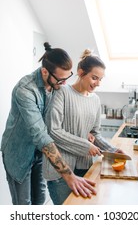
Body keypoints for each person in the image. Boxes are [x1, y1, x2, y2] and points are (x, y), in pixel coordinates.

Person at [0, 43, 96, 205]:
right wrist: (69, 176)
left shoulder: (56, 84)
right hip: (19, 153)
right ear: (45, 72)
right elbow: (41, 136)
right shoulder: (25, 90)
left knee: (40, 202)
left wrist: (83, 132)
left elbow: (60, 117)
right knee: (24, 206)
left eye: (67, 77)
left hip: (40, 154)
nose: (64, 84)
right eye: (61, 79)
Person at [43, 49, 124, 205]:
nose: (98, 83)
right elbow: (53, 131)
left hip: (85, 166)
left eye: (100, 79)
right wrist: (86, 145)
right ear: (80, 72)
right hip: (61, 171)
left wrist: (111, 150)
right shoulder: (61, 92)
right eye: (94, 78)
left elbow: (95, 133)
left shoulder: (95, 100)